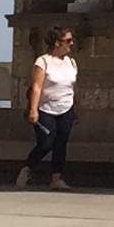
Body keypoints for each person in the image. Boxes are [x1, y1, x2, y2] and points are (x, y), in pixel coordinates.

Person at [20, 26, 79, 189]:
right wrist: (33, 109)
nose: (71, 43)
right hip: (46, 107)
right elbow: (37, 86)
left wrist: (76, 107)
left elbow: (73, 87)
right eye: (67, 40)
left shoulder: (71, 62)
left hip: (66, 107)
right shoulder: (43, 61)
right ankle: (28, 168)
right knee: (46, 142)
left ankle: (56, 178)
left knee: (61, 143)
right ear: (57, 43)